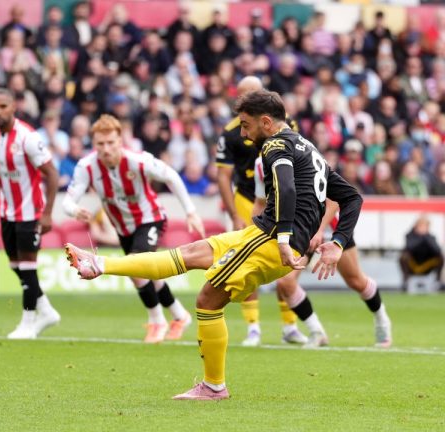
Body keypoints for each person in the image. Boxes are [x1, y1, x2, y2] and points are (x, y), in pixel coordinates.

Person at [65, 90, 363, 400]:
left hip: (271, 240)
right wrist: (339, 242)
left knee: (207, 300)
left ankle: (213, 386)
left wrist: (286, 238)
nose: (244, 134)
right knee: (190, 253)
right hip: (261, 233)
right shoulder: (308, 147)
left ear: (265, 121)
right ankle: (101, 264)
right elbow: (352, 196)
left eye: (246, 126)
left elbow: (286, 188)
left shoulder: (275, 144)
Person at [62, 114, 205, 343]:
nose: (106, 149)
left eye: (111, 143)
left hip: (150, 218)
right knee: (145, 271)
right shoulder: (87, 167)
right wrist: (74, 210)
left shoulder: (138, 160)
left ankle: (157, 321)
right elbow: (68, 201)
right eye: (100, 144)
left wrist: (190, 211)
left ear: (120, 141)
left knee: (136, 266)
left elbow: (171, 176)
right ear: (94, 144)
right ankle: (179, 314)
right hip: (123, 226)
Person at [251, 156, 392, 348]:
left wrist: (319, 230)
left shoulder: (302, 157)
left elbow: (334, 199)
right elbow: (261, 202)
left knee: (355, 280)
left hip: (329, 228)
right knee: (285, 282)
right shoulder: (262, 164)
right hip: (300, 229)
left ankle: (381, 319)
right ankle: (316, 331)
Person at [215, 76, 307, 347]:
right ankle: (253, 326)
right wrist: (233, 213)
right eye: (246, 95)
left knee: (283, 262)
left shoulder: (285, 123)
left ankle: (289, 325)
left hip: (279, 196)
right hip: (247, 198)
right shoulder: (231, 132)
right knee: (245, 261)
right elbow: (223, 176)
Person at [0, 88, 61, 340]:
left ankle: (28, 323)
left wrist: (47, 213)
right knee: (16, 266)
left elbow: (51, 173)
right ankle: (46, 309)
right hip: (8, 212)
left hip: (30, 212)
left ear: (13, 107)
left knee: (28, 267)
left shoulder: (28, 137)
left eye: (3, 106)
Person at [399, 216, 443, 292]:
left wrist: (426, 237)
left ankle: (437, 280)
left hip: (426, 266)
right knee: (404, 256)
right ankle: (405, 280)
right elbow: (409, 247)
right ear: (416, 226)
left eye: (425, 226)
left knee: (440, 257)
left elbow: (437, 250)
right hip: (413, 265)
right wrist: (421, 238)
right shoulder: (409, 236)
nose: (423, 228)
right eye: (421, 226)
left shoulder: (431, 237)